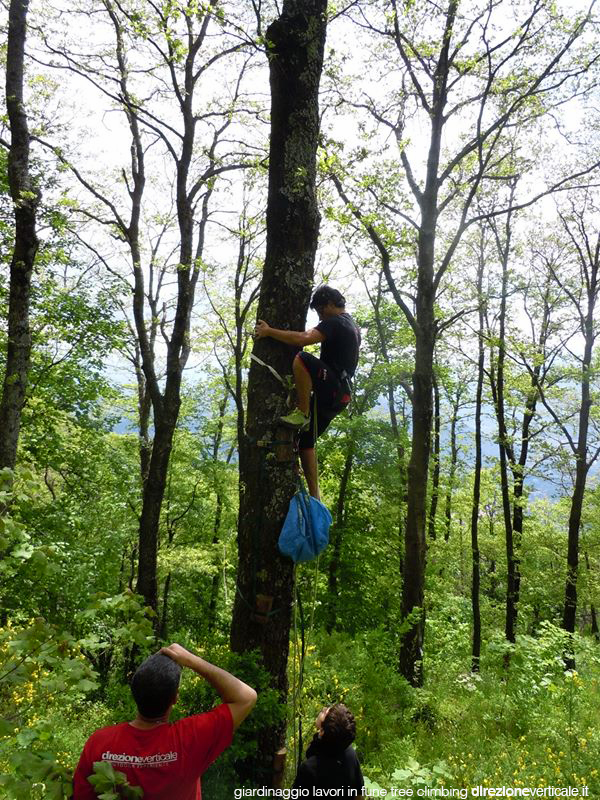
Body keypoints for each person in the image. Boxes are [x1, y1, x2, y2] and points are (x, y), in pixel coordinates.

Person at [73, 643, 257, 800]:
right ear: (175, 698)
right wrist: (191, 660)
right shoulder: (190, 738)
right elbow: (246, 697)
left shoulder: (99, 742)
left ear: (134, 693)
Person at [254, 285, 361, 499]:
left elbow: (302, 339)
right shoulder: (352, 324)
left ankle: (302, 412)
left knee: (301, 358)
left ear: (331, 304)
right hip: (341, 396)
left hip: (333, 388)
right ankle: (315, 497)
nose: (320, 316)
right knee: (306, 443)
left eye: (321, 310)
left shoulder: (336, 322)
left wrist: (268, 332)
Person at [292, 704, 364, 795]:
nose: (324, 708)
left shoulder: (309, 769)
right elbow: (359, 795)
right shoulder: (350, 754)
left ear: (322, 732)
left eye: (324, 713)